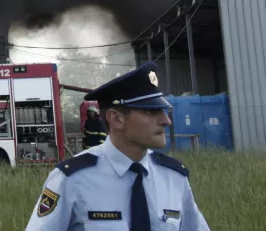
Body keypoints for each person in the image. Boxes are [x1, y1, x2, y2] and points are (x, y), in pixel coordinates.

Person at [25, 62, 210, 231]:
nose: (166, 120)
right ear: (116, 119)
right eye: (151, 112)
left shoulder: (174, 178)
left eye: (163, 112)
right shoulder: (72, 179)